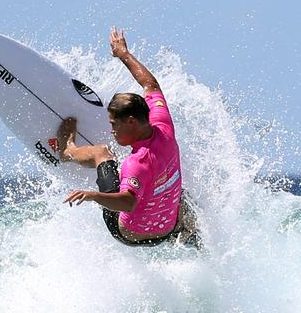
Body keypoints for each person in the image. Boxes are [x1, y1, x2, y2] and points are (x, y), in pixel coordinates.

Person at [58, 26, 198, 247]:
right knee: (183, 194)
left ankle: (67, 150)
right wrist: (123, 54)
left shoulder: (137, 163)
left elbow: (128, 203)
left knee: (102, 153)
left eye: (114, 124)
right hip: (168, 228)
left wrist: (93, 195)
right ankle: (189, 235)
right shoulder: (164, 125)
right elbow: (150, 85)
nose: (112, 130)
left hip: (131, 234)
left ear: (131, 121)